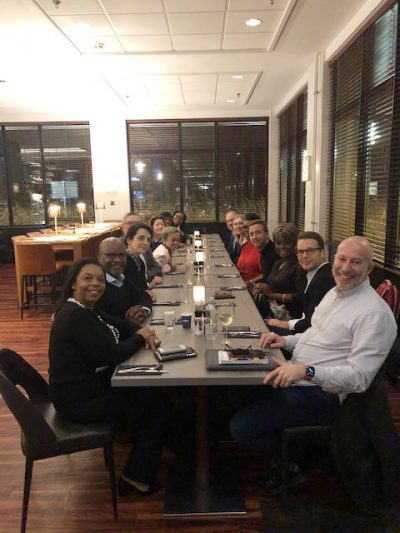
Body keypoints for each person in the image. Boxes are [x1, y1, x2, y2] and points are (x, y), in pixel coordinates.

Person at [230, 236, 397, 495]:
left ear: (370, 268)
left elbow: (359, 378)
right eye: (342, 259)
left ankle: (296, 463)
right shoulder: (335, 293)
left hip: (321, 394)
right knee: (233, 392)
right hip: (295, 373)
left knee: (241, 427)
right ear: (333, 259)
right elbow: (313, 335)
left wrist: (306, 371)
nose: (345, 268)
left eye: (355, 262)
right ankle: (286, 453)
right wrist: (284, 341)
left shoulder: (373, 314)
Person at [48, 258, 172, 497]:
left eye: (100, 279)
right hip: (79, 401)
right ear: (73, 283)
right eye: (87, 278)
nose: (95, 283)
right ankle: (136, 478)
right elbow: (113, 354)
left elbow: (120, 324)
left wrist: (139, 330)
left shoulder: (86, 309)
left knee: (155, 395)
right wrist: (142, 336)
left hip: (89, 388)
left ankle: (169, 454)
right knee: (158, 406)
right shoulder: (75, 316)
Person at [266, 231, 335, 334]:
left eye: (310, 251)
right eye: (300, 251)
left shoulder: (323, 280)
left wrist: (282, 324)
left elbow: (310, 324)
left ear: (323, 253)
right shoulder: (316, 274)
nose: (304, 256)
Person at [254, 223, 306, 319]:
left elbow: (301, 297)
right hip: (273, 312)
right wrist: (261, 287)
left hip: (289, 318)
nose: (281, 246)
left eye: (286, 243)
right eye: (278, 243)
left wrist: (271, 294)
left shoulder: (299, 266)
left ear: (295, 244)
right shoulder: (278, 263)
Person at [96, 237, 152, 324]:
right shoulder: (96, 285)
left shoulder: (122, 278)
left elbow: (143, 296)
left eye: (121, 255)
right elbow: (101, 320)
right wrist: (127, 321)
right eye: (111, 255)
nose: (117, 260)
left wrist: (143, 310)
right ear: (99, 257)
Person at [121, 213, 162, 287]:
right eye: (141, 238)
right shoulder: (123, 261)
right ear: (129, 240)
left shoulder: (140, 261)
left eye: (148, 240)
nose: (146, 243)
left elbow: (141, 286)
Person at [248, 219, 279, 284]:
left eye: (258, 233)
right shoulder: (263, 251)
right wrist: (251, 282)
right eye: (251, 234)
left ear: (267, 235)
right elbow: (266, 275)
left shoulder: (275, 253)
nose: (254, 237)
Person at [236, 215, 263, 282]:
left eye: (250, 227)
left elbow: (266, 274)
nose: (247, 230)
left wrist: (250, 282)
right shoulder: (245, 245)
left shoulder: (263, 248)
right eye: (245, 227)